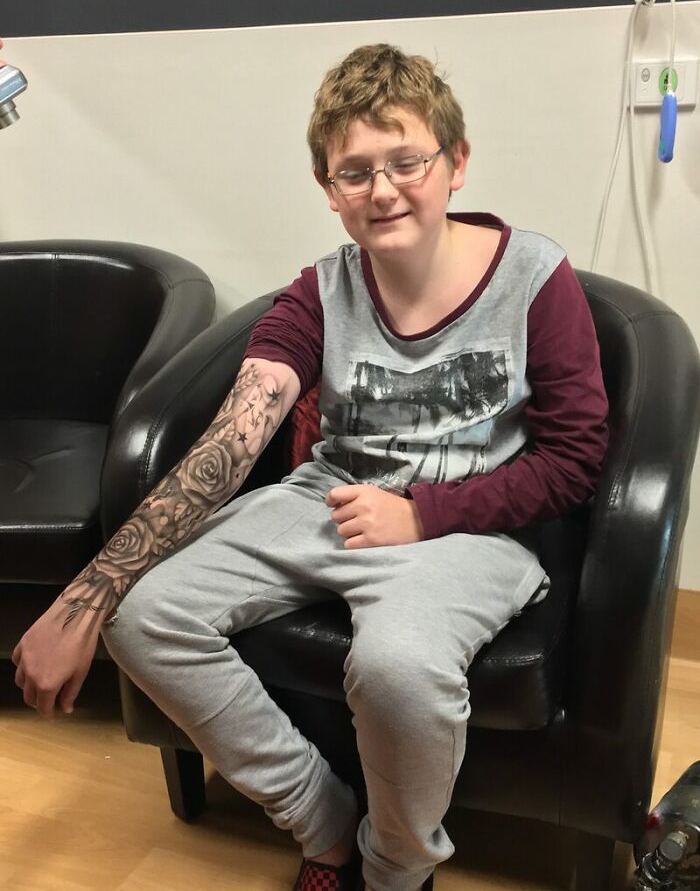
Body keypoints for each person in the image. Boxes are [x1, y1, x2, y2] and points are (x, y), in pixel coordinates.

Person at [12, 43, 609, 891]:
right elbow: (232, 441)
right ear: (329, 189)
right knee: (142, 618)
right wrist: (85, 598)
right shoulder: (320, 291)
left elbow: (575, 463)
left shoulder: (536, 278)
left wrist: (424, 514)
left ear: (456, 163)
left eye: (407, 161)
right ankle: (323, 824)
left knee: (397, 669)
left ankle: (396, 866)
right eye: (355, 172)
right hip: (325, 499)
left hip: (468, 525)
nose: (384, 190)